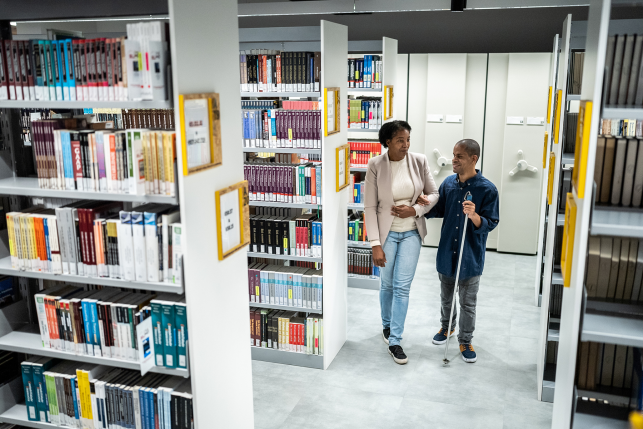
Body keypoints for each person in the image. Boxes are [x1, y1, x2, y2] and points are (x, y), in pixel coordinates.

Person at [364, 120, 439, 365]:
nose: (406, 145)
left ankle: (395, 340)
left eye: (408, 139)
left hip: (411, 233)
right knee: (387, 285)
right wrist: (375, 243)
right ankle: (386, 326)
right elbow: (370, 207)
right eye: (400, 140)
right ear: (387, 142)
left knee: (402, 286)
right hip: (386, 235)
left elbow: (434, 193)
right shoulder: (375, 165)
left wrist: (415, 209)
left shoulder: (419, 161)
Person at [419, 139, 499, 363]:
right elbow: (439, 210)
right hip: (446, 254)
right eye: (453, 155)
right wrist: (423, 205)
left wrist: (474, 216)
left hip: (470, 258)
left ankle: (465, 339)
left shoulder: (487, 189)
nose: (453, 159)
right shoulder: (448, 184)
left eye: (459, 156)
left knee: (468, 303)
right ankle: (447, 328)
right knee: (446, 299)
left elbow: (491, 223)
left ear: (473, 159)